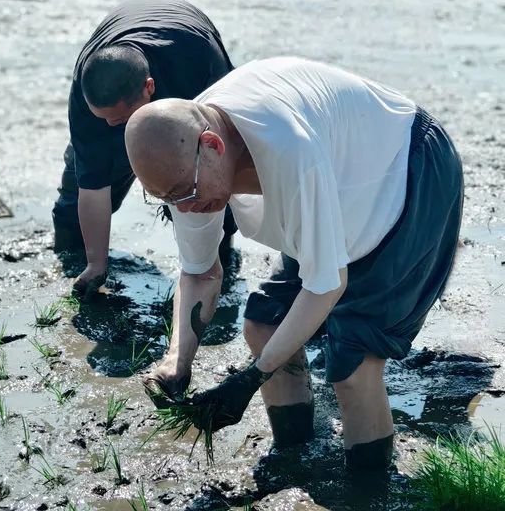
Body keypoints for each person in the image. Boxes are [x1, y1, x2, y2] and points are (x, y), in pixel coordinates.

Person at [124, 57, 464, 470]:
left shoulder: (288, 148)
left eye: (185, 193)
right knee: (264, 325)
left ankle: (367, 496)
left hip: (407, 171)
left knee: (353, 363)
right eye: (166, 199)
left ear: (212, 146)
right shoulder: (180, 162)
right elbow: (200, 272)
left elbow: (326, 285)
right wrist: (176, 362)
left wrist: (250, 380)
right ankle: (293, 456)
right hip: (335, 188)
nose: (185, 207)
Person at [52, 0, 236, 298]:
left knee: (199, 185)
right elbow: (92, 187)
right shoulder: (89, 96)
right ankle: (72, 257)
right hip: (126, 48)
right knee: (73, 203)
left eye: (121, 118)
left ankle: (219, 270)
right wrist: (96, 264)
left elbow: (223, 156)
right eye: (104, 119)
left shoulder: (196, 62)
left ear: (149, 87)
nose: (113, 128)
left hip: (190, 51)